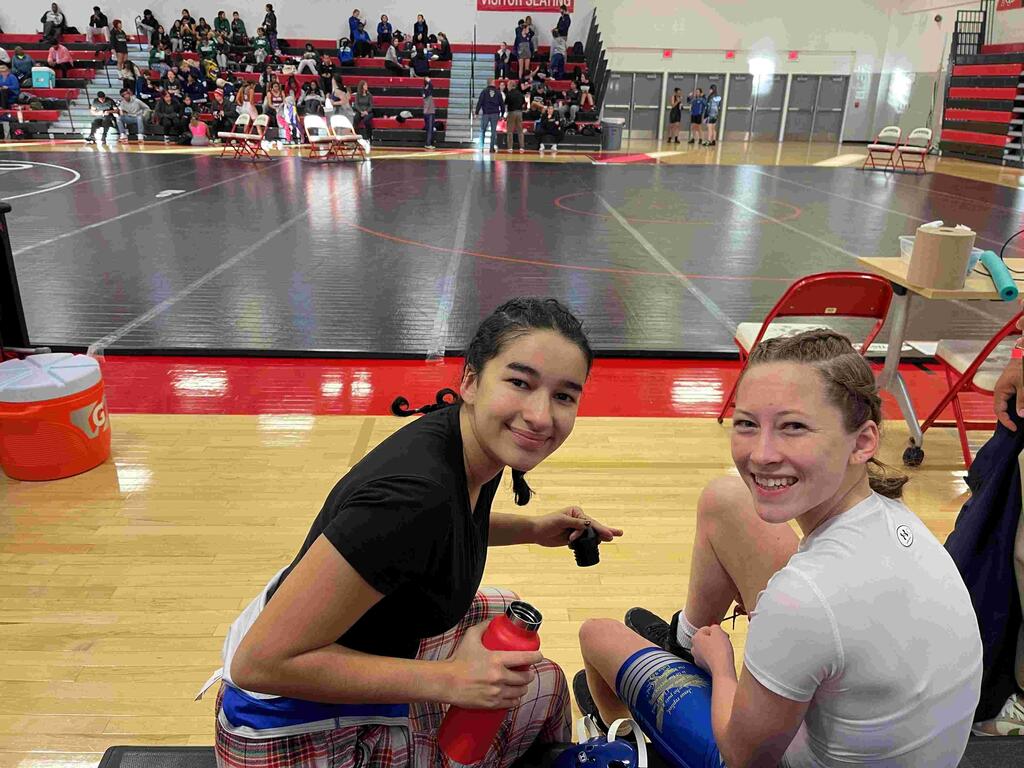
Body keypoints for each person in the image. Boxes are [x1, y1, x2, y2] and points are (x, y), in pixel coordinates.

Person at [201, 297, 619, 768]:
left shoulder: (468, 441)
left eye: (564, 396)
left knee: (505, 612)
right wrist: (452, 681)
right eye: (520, 382)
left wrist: (534, 529)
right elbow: (258, 664)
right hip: (283, 735)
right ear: (470, 381)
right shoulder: (413, 498)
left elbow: (444, 527)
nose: (540, 416)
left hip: (314, 652)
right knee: (543, 683)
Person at [579, 329, 983, 768]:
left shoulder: (802, 598)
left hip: (761, 756)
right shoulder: (897, 518)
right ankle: (684, 641)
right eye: (747, 424)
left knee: (597, 635)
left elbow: (743, 759)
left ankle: (630, 741)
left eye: (794, 427)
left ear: (863, 442)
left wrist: (721, 666)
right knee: (725, 500)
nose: (761, 454)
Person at [476, 79, 504, 153]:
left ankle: (481, 147)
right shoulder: (498, 92)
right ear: (493, 83)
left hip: (486, 113)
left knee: (482, 130)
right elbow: (502, 104)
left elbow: (480, 102)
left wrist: (476, 112)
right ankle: (491, 148)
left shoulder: (484, 91)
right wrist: (502, 114)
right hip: (495, 113)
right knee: (493, 131)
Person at [504, 78, 527, 154]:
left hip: (511, 112)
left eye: (508, 85)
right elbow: (524, 103)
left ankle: (510, 147)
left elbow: (506, 103)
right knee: (520, 131)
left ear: (511, 85)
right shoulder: (520, 93)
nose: (507, 87)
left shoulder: (509, 94)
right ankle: (522, 147)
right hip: (519, 113)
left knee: (510, 131)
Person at [422, 76, 436, 149]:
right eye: (427, 79)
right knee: (430, 129)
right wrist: (429, 81)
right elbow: (431, 86)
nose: (429, 79)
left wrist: (428, 81)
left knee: (429, 128)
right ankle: (428, 144)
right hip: (429, 112)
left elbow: (431, 86)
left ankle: (429, 143)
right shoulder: (427, 90)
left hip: (427, 112)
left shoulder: (424, 90)